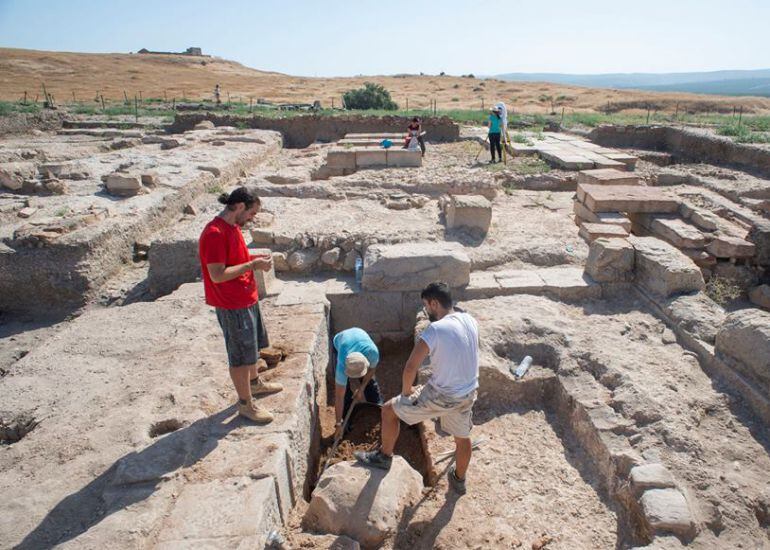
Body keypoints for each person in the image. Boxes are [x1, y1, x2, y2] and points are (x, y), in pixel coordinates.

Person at [355, 282, 479, 495]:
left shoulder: (436, 329)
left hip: (442, 395)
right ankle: (459, 479)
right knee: (462, 438)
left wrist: (406, 394)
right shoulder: (469, 319)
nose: (426, 311)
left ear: (434, 303)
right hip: (467, 393)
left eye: (426, 306)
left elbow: (411, 367)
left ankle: (384, 457)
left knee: (388, 410)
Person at [198, 186, 282, 424]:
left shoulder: (233, 227)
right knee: (240, 357)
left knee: (251, 348)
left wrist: (253, 261)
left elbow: (236, 260)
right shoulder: (215, 233)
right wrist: (251, 267)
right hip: (231, 303)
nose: (251, 219)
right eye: (251, 214)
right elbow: (217, 274)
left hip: (246, 298)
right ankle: (245, 405)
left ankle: (254, 384)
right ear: (241, 207)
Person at [332, 328, 383, 438]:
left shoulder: (373, 353)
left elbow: (372, 370)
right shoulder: (342, 364)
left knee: (370, 384)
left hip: (359, 335)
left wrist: (361, 387)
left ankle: (379, 412)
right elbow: (339, 397)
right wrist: (338, 423)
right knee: (345, 394)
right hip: (340, 341)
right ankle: (346, 422)